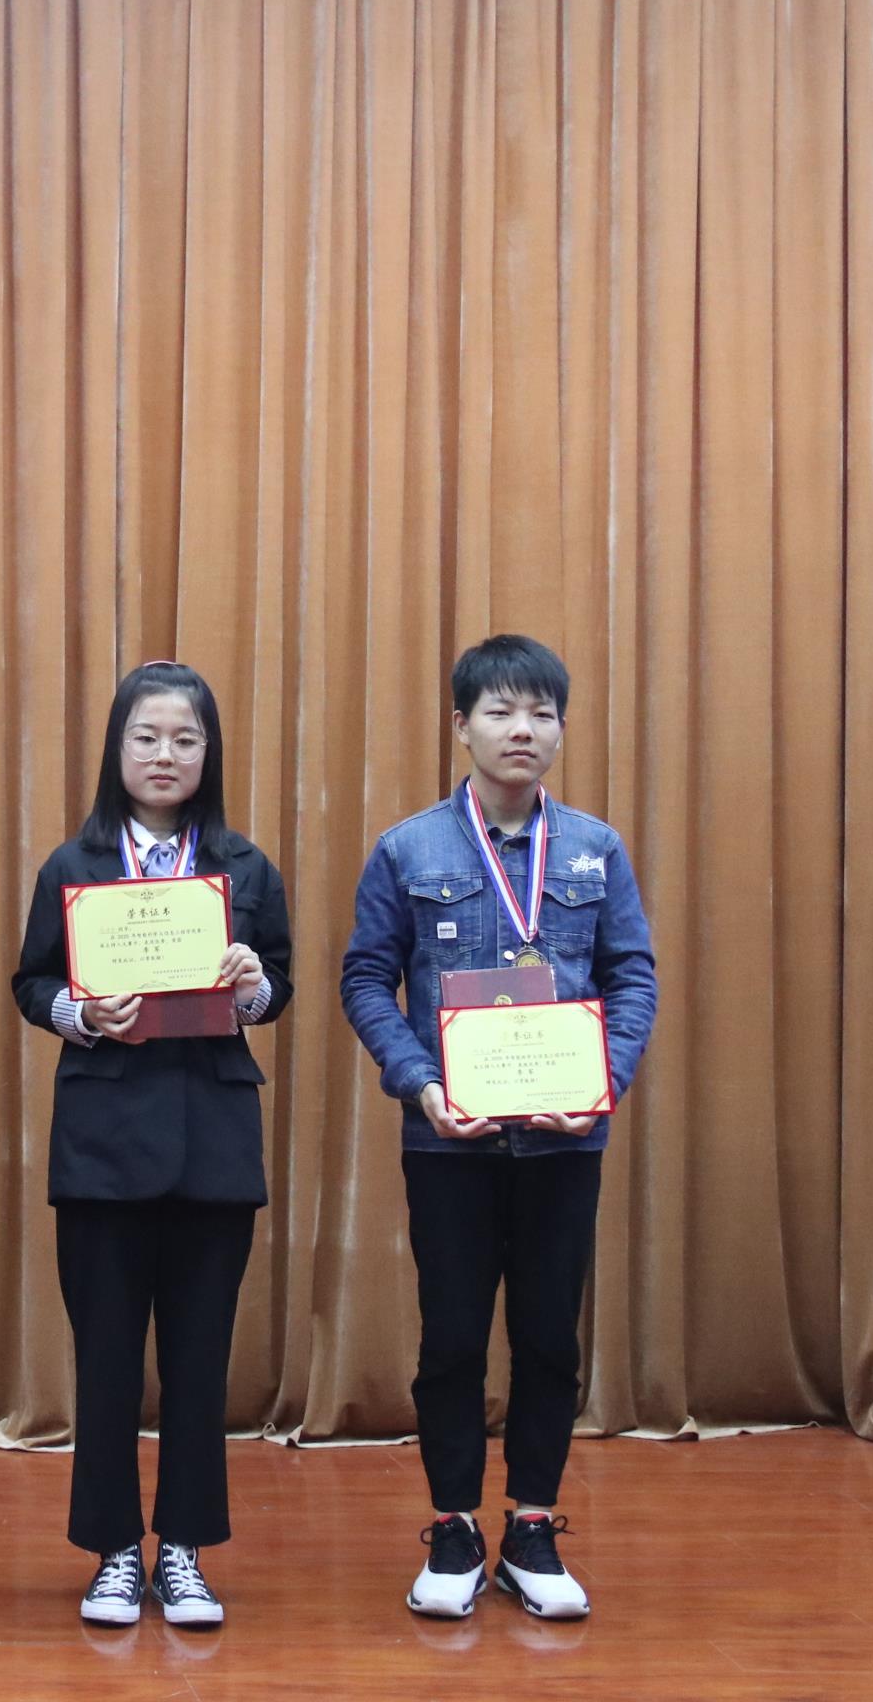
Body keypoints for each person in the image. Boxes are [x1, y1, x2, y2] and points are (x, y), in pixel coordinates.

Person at [339, 634, 658, 1623]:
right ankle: (452, 1527)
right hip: (452, 1140)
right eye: (501, 711)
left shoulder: (597, 849)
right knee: (452, 1338)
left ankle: (531, 1527)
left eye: (542, 713)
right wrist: (419, 1081)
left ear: (560, 727)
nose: (524, 729)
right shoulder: (408, 849)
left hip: (566, 1137)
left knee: (550, 1337)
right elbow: (366, 978)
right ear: (461, 725)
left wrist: (602, 1082)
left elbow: (633, 976)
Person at [10, 660, 293, 1629]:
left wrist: (253, 985)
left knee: (200, 1363)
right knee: (106, 1364)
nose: (164, 754)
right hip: (103, 1146)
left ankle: (184, 1551)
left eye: (184, 738)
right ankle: (112, 1554)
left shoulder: (246, 867)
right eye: (146, 737)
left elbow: (279, 984)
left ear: (209, 753)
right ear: (116, 749)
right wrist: (79, 1012)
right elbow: (30, 981)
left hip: (213, 1142)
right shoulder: (74, 864)